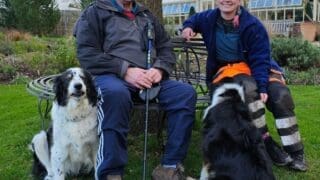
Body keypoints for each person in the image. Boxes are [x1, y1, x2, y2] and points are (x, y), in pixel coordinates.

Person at [73, 0, 196, 179]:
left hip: (149, 79)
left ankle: (169, 168)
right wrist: (125, 70)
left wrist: (159, 69)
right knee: (115, 95)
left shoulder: (146, 15)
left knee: (185, 94)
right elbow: (87, 53)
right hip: (111, 77)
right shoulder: (95, 12)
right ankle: (110, 172)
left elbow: (166, 48)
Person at [181, 0, 307, 171]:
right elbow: (193, 19)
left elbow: (260, 60)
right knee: (248, 92)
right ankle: (265, 142)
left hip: (259, 68)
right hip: (227, 71)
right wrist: (188, 27)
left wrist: (263, 86)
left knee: (280, 95)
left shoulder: (253, 25)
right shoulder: (208, 18)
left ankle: (296, 151)